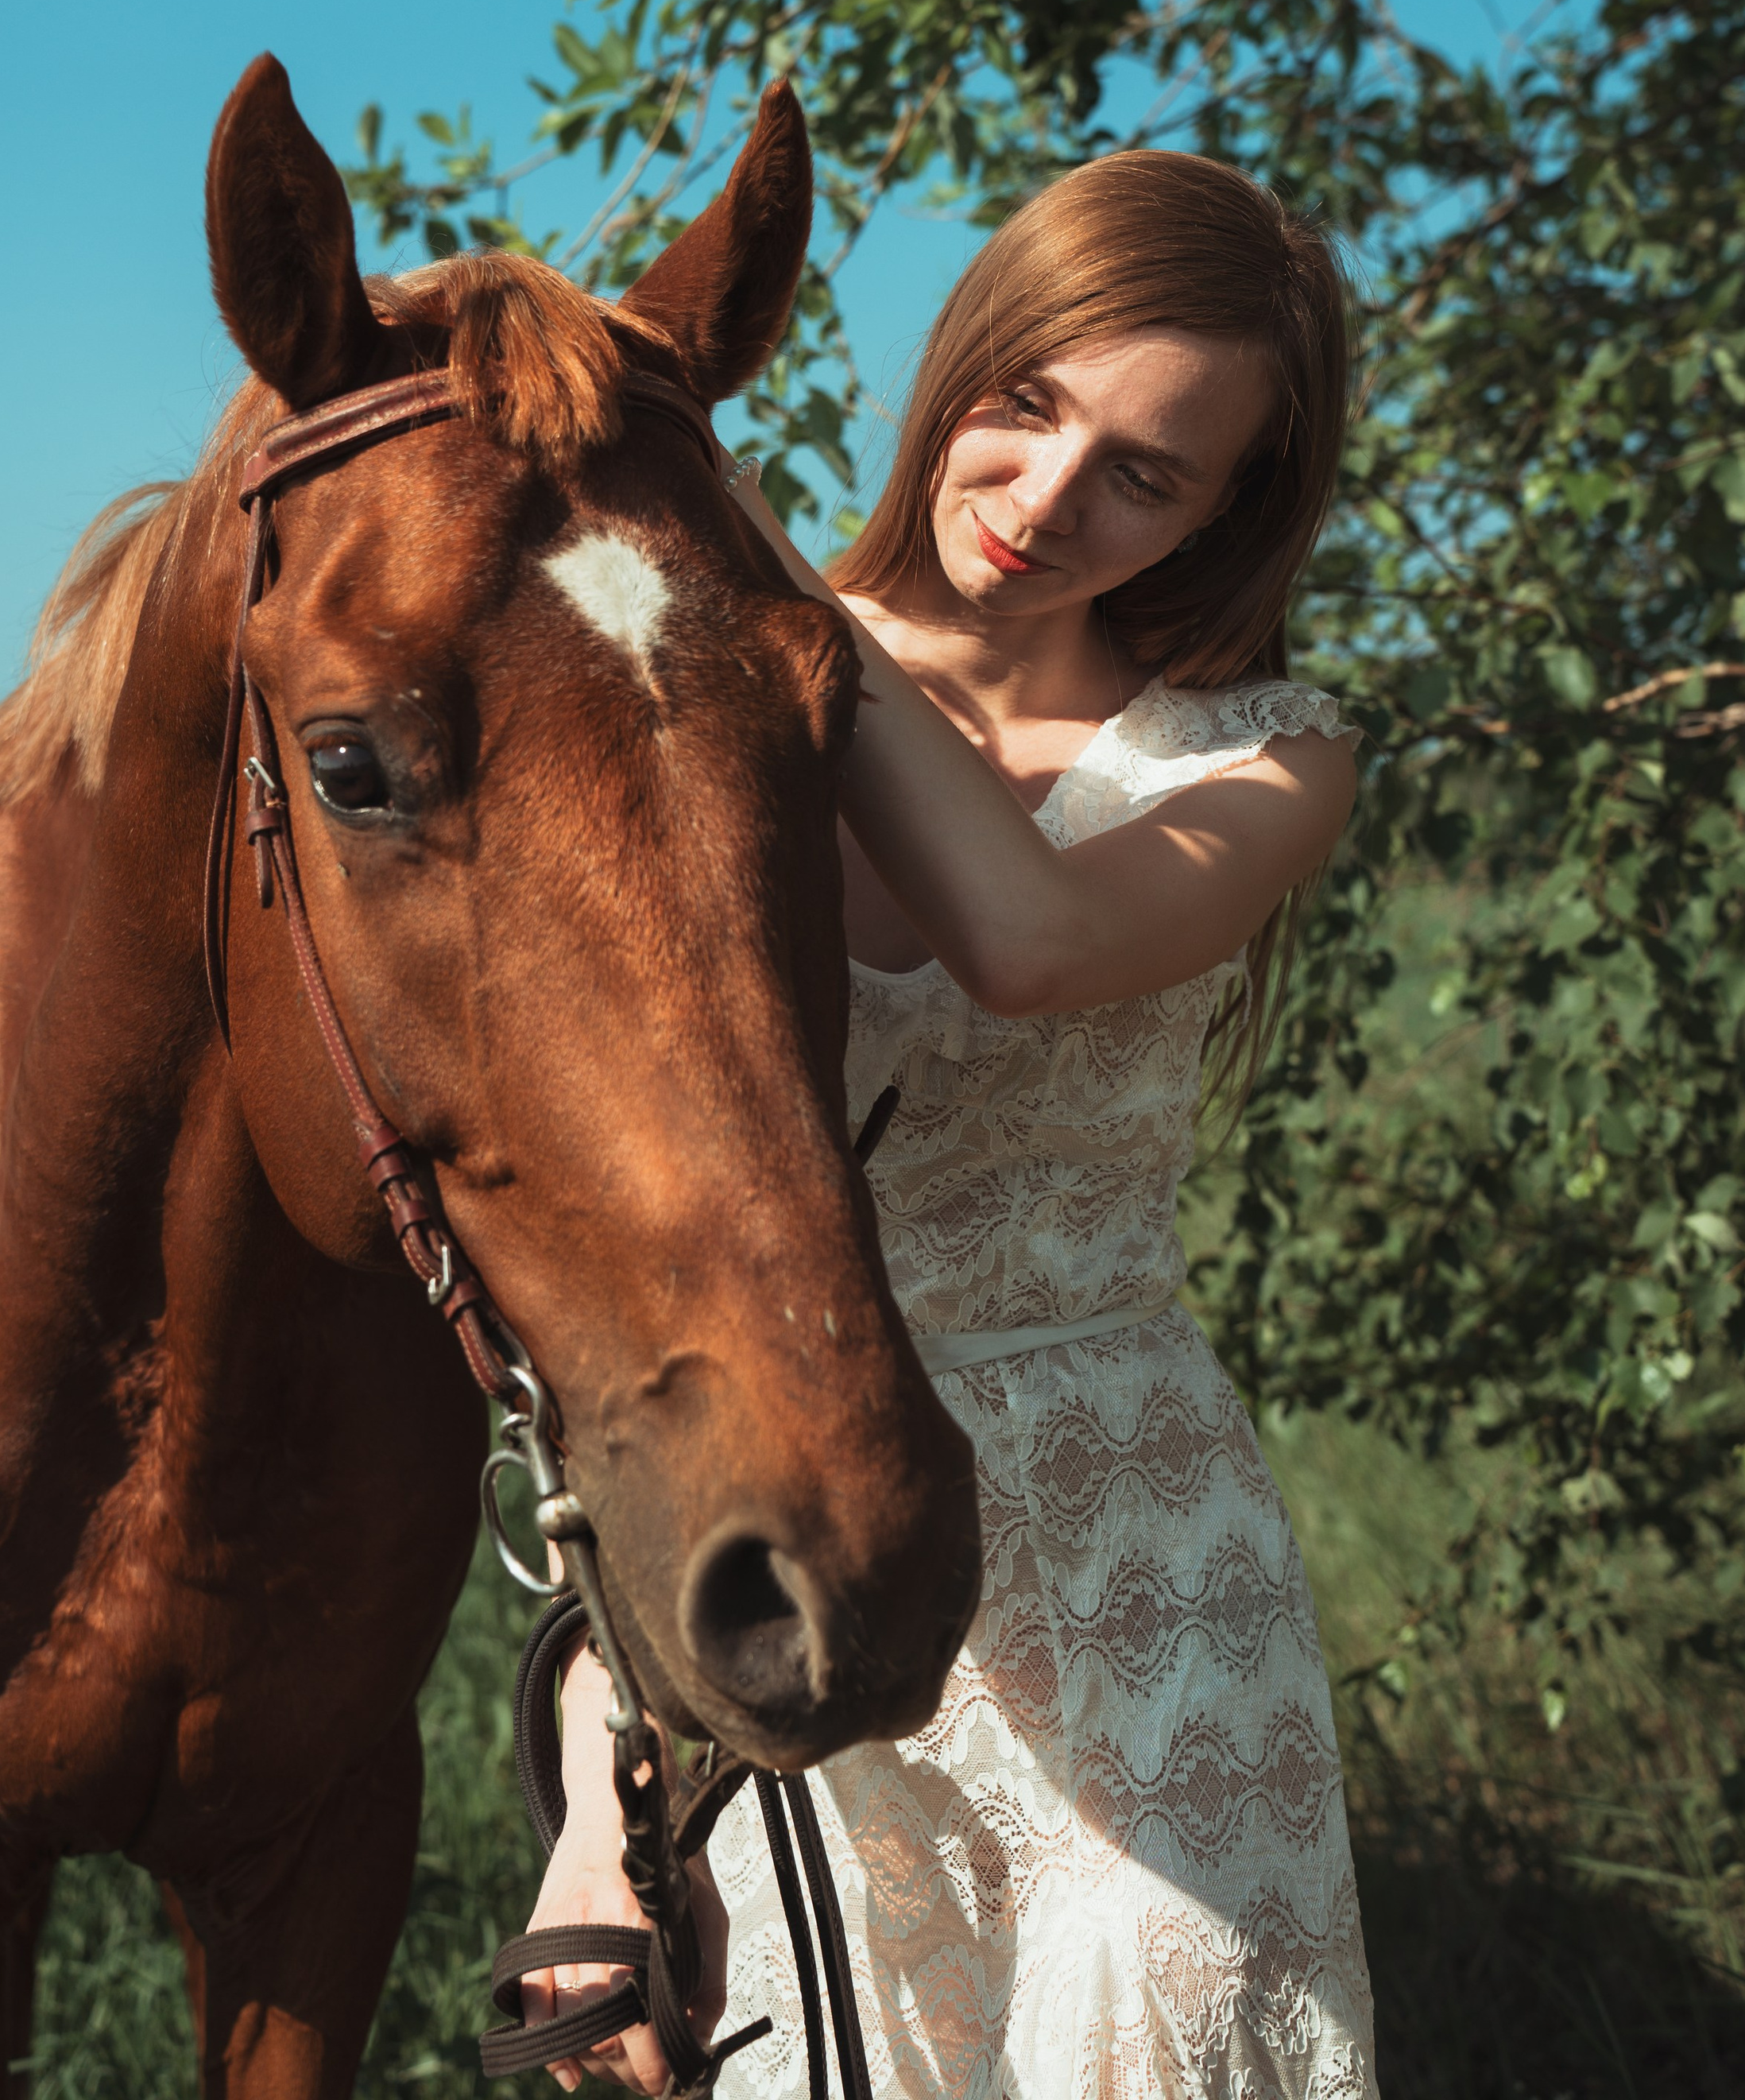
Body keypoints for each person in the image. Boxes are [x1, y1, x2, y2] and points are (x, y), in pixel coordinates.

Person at [520, 147, 1378, 2098]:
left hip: (1137, 1550)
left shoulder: (1266, 754)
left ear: (1229, 503)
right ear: (958, 357)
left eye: (1146, 472)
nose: (1050, 499)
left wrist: (769, 597)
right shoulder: (690, 699)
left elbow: (1035, 939)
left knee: (1175, 2008)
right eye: (1028, 405)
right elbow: (601, 1316)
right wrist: (604, 1810)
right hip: (785, 1518)